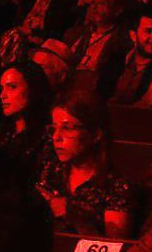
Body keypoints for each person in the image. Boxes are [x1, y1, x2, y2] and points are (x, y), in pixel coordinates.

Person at [37, 90, 134, 238]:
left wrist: (76, 218)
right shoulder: (51, 171)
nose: (56, 137)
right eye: (54, 128)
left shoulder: (115, 185)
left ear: (95, 134)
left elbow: (114, 249)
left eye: (67, 128)